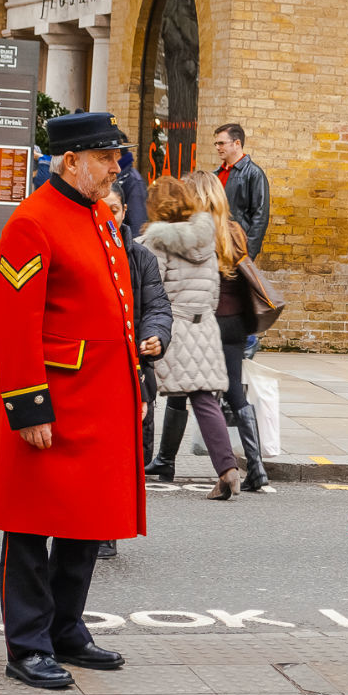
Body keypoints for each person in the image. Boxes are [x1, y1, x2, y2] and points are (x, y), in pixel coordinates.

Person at [0, 111, 141, 689]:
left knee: (86, 522)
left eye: (116, 157)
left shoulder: (101, 215)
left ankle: (67, 629)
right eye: (106, 158)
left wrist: (133, 389)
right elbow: (11, 323)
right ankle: (26, 645)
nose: (115, 167)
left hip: (100, 399)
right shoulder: (32, 222)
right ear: (71, 161)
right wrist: (27, 406)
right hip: (51, 398)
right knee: (31, 526)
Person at [141, 175, 243, 499]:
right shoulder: (205, 238)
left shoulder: (156, 242)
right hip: (204, 325)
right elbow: (212, 292)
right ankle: (227, 470)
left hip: (171, 326)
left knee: (143, 391)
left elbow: (152, 291)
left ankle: (136, 464)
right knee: (204, 398)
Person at [182, 169, 274, 492]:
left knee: (197, 391)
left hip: (210, 321)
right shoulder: (235, 230)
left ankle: (220, 465)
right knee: (235, 390)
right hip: (237, 323)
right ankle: (257, 467)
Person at [98, 184, 172, 558]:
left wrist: (156, 336)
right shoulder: (85, 251)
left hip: (132, 372)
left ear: (125, 211)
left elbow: (158, 306)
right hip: (94, 370)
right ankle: (83, 529)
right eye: (103, 209)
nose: (110, 216)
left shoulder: (141, 258)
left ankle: (107, 530)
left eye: (115, 209)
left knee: (128, 456)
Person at [213, 123, 270, 259]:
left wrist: (247, 254)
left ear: (237, 143)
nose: (217, 148)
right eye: (216, 144)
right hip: (215, 248)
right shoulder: (215, 174)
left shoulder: (254, 174)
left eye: (221, 143)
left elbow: (260, 217)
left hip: (237, 250)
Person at [115, 149, 149, 236]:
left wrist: (131, 247)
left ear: (118, 154)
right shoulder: (119, 177)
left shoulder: (134, 181)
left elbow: (138, 222)